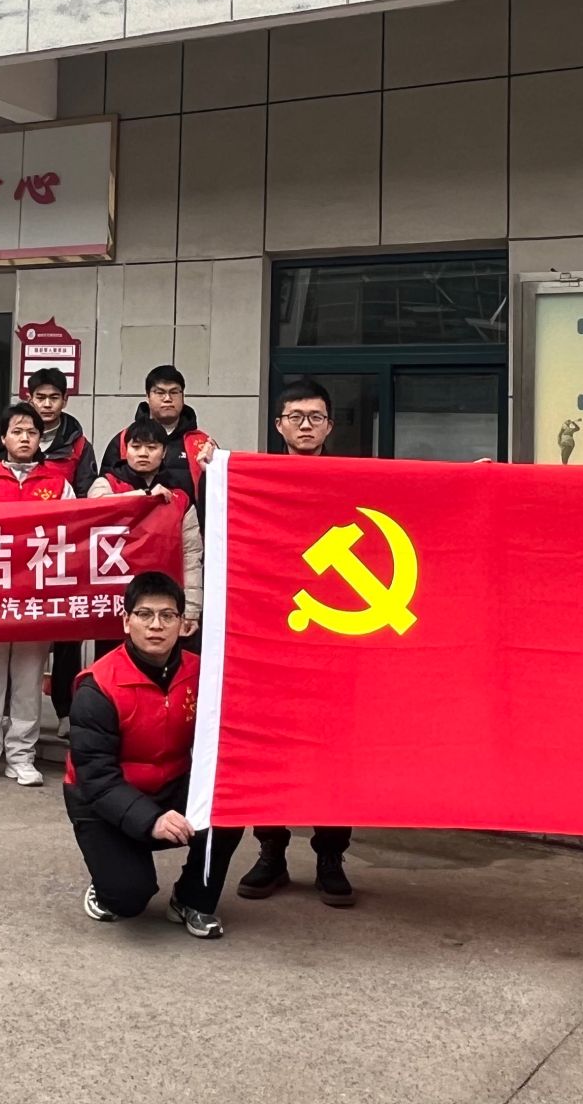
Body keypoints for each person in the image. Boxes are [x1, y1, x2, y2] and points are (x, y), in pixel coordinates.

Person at [66, 571, 242, 939]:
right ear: (126, 621)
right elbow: (96, 778)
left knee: (229, 800)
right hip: (101, 799)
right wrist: (150, 819)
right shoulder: (98, 686)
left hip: (170, 785)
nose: (156, 625)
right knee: (128, 898)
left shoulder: (203, 674)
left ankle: (192, 899)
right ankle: (108, 881)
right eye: (144, 614)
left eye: (167, 615)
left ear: (183, 623)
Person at [237, 379, 357, 908]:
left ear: (329, 426)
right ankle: (271, 851)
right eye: (296, 416)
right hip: (272, 637)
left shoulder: (353, 480)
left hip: (338, 640)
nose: (306, 425)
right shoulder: (255, 481)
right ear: (278, 425)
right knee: (270, 747)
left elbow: (417, 504)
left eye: (316, 417)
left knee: (336, 750)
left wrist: (467, 481)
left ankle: (331, 855)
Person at [0, 404, 71, 787]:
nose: (24, 438)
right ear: (3, 437)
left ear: (40, 440)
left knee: (28, 682)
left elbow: (73, 534)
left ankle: (22, 756)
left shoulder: (58, 485)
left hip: (36, 598)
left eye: (32, 432)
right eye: (17, 431)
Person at [31, 367, 101, 736]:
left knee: (68, 633)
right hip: (20, 552)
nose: (47, 404)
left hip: (64, 548)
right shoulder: (18, 433)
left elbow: (87, 495)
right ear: (30, 399)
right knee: (22, 631)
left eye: (53, 398)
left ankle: (65, 711)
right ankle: (15, 714)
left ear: (65, 400)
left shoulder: (78, 445)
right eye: (40, 397)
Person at [87, 418, 204, 621]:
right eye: (136, 446)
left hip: (163, 601)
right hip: (110, 599)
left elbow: (191, 557)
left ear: (164, 452)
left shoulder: (180, 498)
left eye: (152, 447)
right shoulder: (107, 484)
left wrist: (192, 611)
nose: (143, 453)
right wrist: (145, 495)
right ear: (126, 450)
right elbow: (92, 510)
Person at [97, 365, 215, 498]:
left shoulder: (201, 443)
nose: (167, 398)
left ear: (183, 396)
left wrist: (214, 469)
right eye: (160, 392)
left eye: (174, 392)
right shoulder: (124, 439)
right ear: (147, 396)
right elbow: (105, 490)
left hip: (185, 509)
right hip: (132, 510)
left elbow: (219, 492)